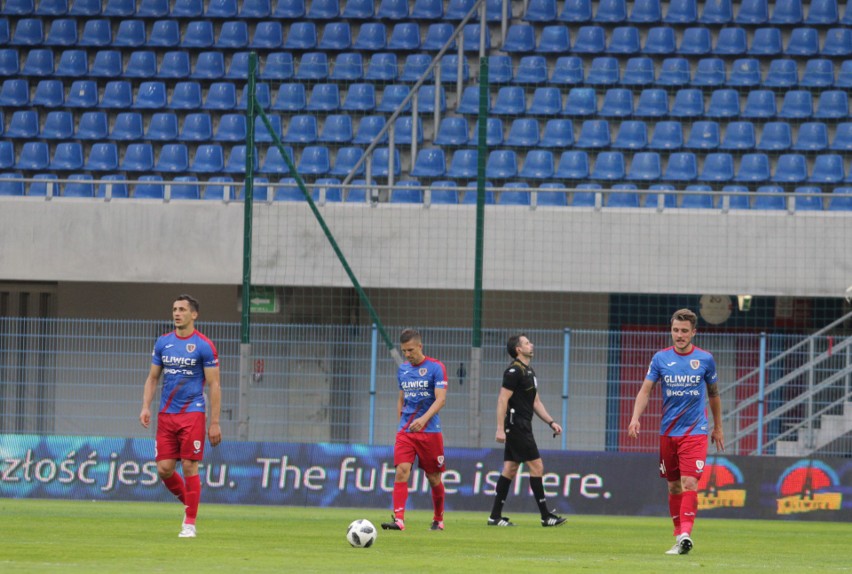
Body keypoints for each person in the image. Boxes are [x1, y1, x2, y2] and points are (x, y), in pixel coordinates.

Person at [628, 308, 724, 556]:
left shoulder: (705, 359)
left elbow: (713, 395)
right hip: (668, 433)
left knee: (689, 481)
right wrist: (635, 418)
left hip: (695, 431)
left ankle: (685, 534)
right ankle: (678, 535)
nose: (679, 335)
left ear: (694, 332)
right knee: (673, 487)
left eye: (684, 331)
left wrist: (718, 428)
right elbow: (645, 390)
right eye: (675, 330)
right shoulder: (660, 359)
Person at [140, 294, 222, 538]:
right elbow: (153, 377)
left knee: (189, 465)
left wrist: (214, 422)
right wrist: (145, 406)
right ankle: (191, 503)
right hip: (166, 414)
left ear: (193, 315)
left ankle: (190, 522)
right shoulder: (163, 343)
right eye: (174, 309)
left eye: (182, 309)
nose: (177, 313)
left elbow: (214, 384)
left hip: (192, 412)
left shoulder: (203, 345)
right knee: (164, 470)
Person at [487, 333, 567, 528]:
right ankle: (545, 516)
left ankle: (494, 516)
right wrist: (499, 429)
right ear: (518, 350)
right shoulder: (514, 372)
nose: (531, 345)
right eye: (526, 343)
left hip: (522, 424)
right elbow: (502, 400)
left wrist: (551, 422)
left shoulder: (529, 372)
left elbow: (536, 402)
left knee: (510, 468)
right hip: (516, 426)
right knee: (537, 466)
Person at [381, 328, 448, 532]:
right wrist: (400, 425)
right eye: (404, 351)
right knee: (402, 470)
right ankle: (399, 519)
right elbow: (402, 398)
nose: (407, 354)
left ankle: (438, 519)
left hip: (430, 431)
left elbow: (441, 399)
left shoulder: (436, 367)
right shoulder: (402, 370)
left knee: (433, 477)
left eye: (410, 350)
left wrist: (423, 419)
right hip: (406, 431)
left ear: (420, 346)